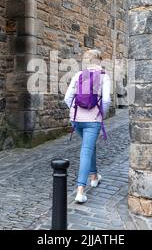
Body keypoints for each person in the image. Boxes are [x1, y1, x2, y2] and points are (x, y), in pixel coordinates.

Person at [64, 49, 111, 203]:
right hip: (93, 120)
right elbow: (106, 101)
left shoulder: (79, 75)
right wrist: (101, 114)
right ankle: (80, 191)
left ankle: (94, 176)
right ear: (99, 61)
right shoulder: (104, 76)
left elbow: (67, 98)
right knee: (86, 150)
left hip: (76, 120)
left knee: (89, 146)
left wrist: (73, 113)